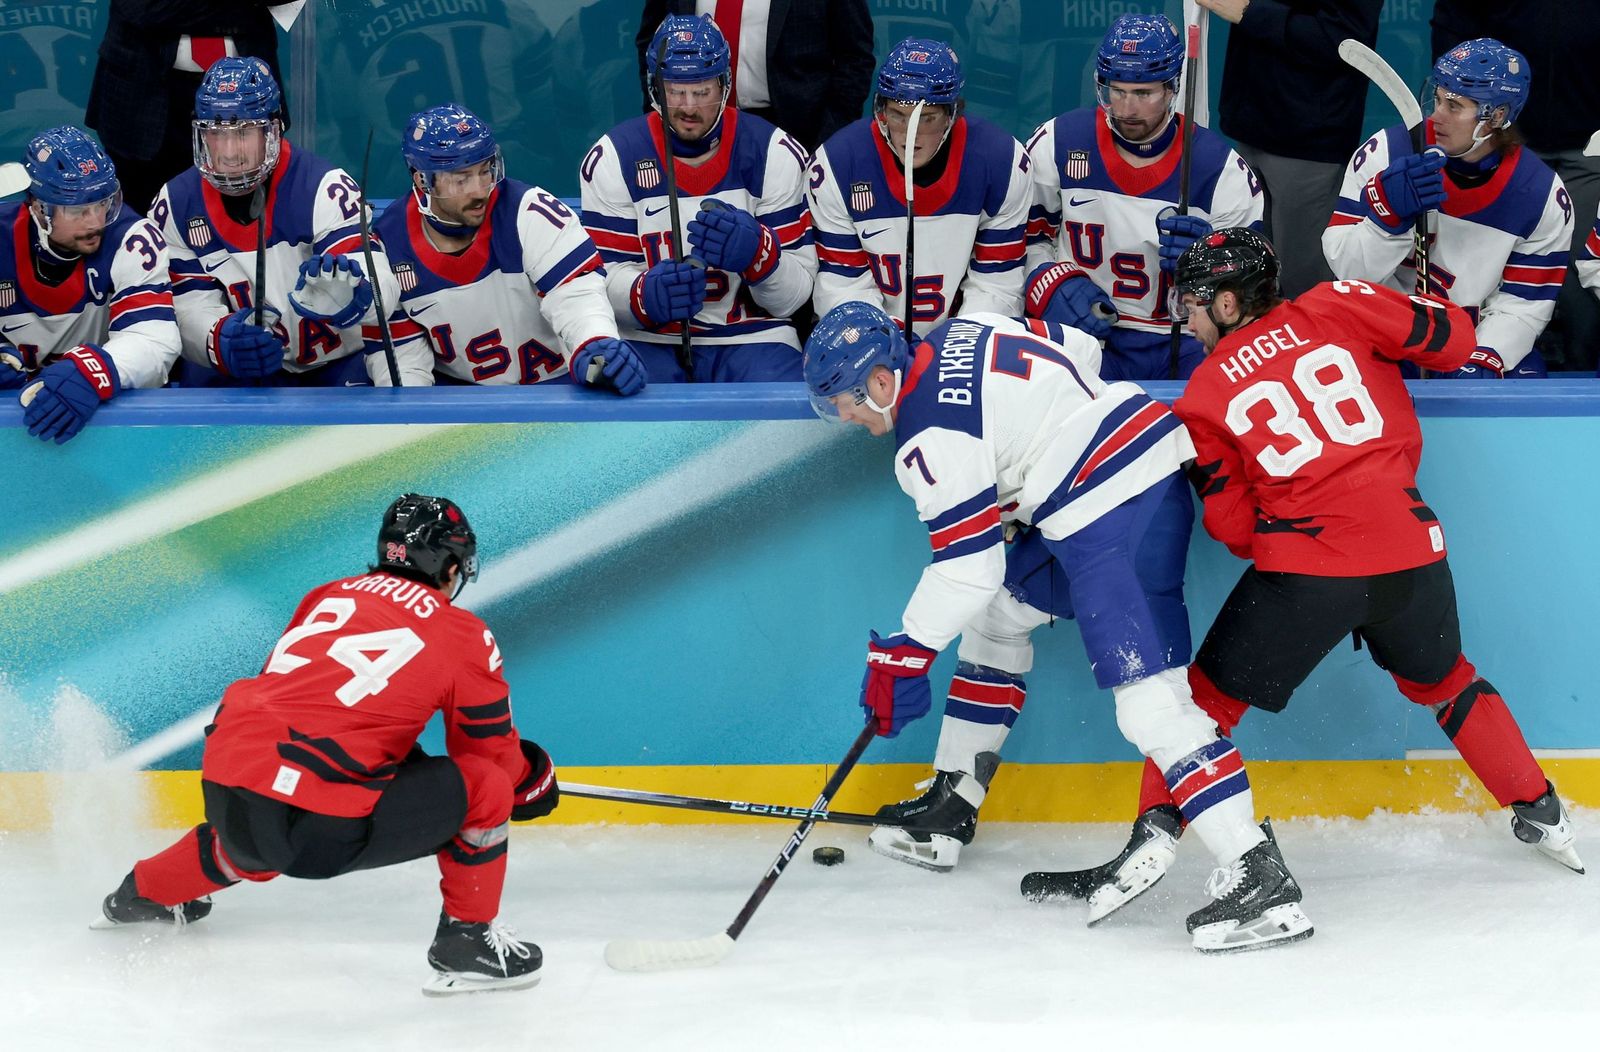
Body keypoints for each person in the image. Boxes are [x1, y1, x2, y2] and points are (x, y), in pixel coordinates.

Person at [1052, 229, 1583, 921]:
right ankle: (1541, 810)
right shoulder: (1337, 303)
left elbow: (1232, 531)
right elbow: (1453, 340)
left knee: (1200, 709)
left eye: (1194, 303)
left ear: (1232, 302)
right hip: (1413, 554)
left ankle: (1152, 835)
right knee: (1446, 682)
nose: (1184, 317)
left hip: (1307, 573)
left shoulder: (1206, 392)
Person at [801, 300, 1313, 954]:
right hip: (1134, 476)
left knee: (1151, 707)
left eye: (844, 400)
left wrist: (902, 655)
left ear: (878, 381)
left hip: (1106, 514)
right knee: (998, 615)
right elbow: (1083, 350)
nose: (844, 416)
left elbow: (968, 567)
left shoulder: (926, 436)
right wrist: (1031, 456)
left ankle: (1258, 872)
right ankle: (950, 805)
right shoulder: (966, 326)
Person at [91, 494, 562, 996]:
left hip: (228, 783)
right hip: (318, 826)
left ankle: (139, 895)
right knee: (486, 787)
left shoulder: (327, 595)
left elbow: (305, 702)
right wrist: (532, 779)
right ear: (448, 563)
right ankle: (468, 944)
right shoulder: (463, 632)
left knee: (267, 816)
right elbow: (488, 756)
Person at [1023, 13, 1264, 382]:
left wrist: (1210, 264)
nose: (1126, 109)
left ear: (1172, 88)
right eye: (1117, 91)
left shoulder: (1221, 171)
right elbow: (1021, 239)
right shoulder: (1058, 142)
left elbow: (1254, 288)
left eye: (1143, 94)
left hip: (1185, 340)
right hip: (1087, 331)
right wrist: (1050, 280)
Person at [580, 14, 816, 383]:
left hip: (753, 337)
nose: (688, 107)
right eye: (675, 91)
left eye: (702, 91)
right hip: (647, 337)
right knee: (624, 407)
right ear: (654, 88)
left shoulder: (774, 151)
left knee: (780, 411)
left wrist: (759, 255)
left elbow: (793, 299)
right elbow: (593, 290)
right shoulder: (612, 157)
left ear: (724, 86)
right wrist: (643, 295)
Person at [152, 57, 415, 387]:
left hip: (337, 361)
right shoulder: (176, 203)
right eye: (217, 134)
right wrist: (220, 339)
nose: (229, 153)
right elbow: (187, 306)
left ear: (273, 129)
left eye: (244, 132)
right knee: (200, 380)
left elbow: (382, 289)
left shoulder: (324, 187)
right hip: (251, 366)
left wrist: (358, 293)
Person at [1322, 38, 1572, 379]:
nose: (1436, 116)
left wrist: (1485, 356)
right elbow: (1348, 273)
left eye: (1454, 107)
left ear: (1496, 116)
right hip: (1381, 331)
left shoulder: (1541, 195)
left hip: (1470, 339)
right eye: (1437, 99)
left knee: (1524, 378)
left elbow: (1524, 303)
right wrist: (1386, 222)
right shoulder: (1385, 153)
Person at [374, 103, 643, 393]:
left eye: (484, 171)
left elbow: (577, 296)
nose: (480, 190)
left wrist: (595, 343)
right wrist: (413, 419)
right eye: (461, 179)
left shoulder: (530, 213)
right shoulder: (391, 244)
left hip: (558, 389)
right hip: (461, 402)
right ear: (422, 180)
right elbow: (405, 365)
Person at [807, 38, 1032, 337]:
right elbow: (843, 287)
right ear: (881, 110)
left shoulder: (1002, 162)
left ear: (952, 114)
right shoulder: (837, 165)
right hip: (872, 345)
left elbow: (996, 286)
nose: (907, 135)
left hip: (958, 343)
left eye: (925, 119)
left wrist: (957, 347)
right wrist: (881, 341)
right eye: (898, 115)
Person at [1432, 1, 1600, 372]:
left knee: (1583, 275)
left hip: (1590, 144)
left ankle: (1582, 376)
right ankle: (1484, 363)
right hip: (1502, 139)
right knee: (1484, 264)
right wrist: (1473, 122)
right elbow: (1453, 29)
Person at [2, 126, 180, 444]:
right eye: (77, 210)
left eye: (102, 203)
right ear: (39, 210)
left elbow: (155, 342)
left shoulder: (132, 238)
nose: (95, 221)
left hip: (106, 423)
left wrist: (95, 369)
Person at [1201, 0, 1383, 298]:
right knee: (1247, 284)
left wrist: (1250, 13)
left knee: (1305, 287)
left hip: (1308, 142)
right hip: (1250, 124)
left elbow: (1343, 39)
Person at [85, 1, 289, 214]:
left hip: (247, 94)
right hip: (142, 92)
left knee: (243, 218)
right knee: (142, 216)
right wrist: (241, 10)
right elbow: (143, 8)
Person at [634, 1, 876, 154]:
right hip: (694, 125)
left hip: (796, 134)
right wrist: (663, 121)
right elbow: (653, 44)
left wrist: (825, 145)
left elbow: (854, 58)